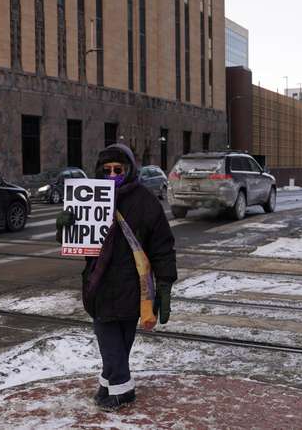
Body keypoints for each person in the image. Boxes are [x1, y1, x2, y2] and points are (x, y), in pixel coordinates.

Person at [56, 143, 177, 411]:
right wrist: (63, 226)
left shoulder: (145, 201)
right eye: (107, 169)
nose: (112, 174)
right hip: (99, 283)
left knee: (121, 341)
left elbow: (162, 246)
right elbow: (76, 240)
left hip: (133, 287)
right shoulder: (88, 196)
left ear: (130, 169)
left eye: (118, 169)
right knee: (109, 337)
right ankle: (122, 389)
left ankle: (108, 385)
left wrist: (165, 284)